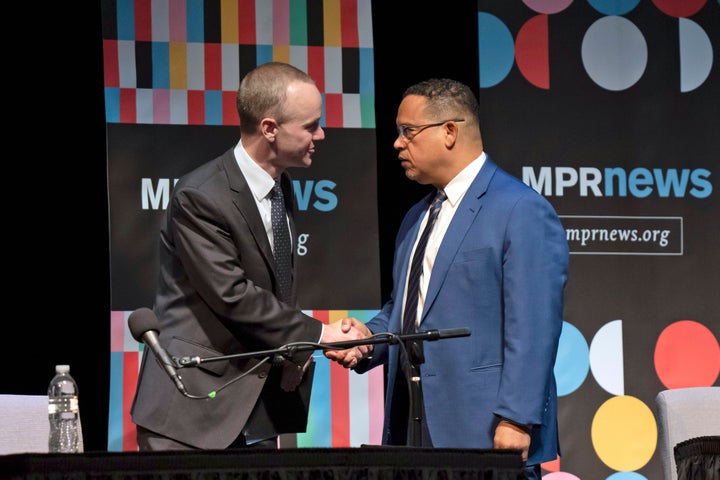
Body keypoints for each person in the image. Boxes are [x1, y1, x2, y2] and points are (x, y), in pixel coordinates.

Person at [327, 78, 569, 479]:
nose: (397, 143)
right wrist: (365, 342)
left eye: (408, 131)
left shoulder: (520, 209)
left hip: (486, 430)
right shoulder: (415, 217)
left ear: (450, 132)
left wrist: (517, 418)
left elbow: (535, 326)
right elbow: (407, 310)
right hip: (413, 426)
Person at [130, 61, 369, 451]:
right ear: (270, 128)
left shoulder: (282, 187)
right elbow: (233, 295)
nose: (321, 134)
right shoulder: (201, 196)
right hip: (193, 413)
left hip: (256, 409)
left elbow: (276, 286)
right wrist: (321, 334)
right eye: (310, 126)